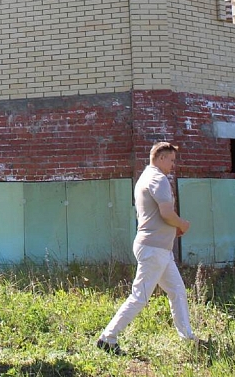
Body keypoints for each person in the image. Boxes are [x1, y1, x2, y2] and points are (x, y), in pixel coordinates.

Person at [96, 142, 198, 355]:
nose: (173, 165)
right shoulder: (158, 178)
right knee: (139, 297)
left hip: (158, 248)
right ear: (160, 158)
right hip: (154, 249)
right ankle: (108, 338)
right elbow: (167, 213)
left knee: (177, 291)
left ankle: (187, 337)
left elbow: (156, 216)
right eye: (171, 160)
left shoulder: (145, 177)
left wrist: (171, 229)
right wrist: (182, 224)